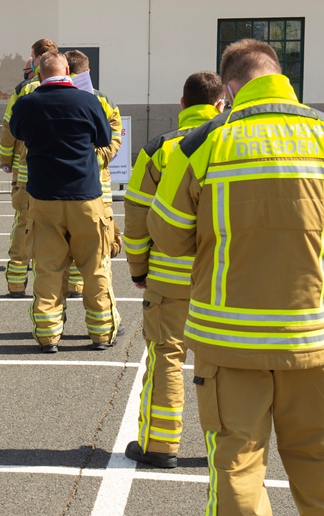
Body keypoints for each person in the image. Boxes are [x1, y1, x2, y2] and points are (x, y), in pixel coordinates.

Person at [148, 38, 324, 513]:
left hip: (230, 341)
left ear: (228, 87)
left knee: (238, 464)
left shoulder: (202, 142)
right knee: (317, 460)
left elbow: (168, 235)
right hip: (314, 339)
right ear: (279, 75)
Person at [122, 71, 225, 469]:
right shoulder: (229, 143)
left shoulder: (158, 150)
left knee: (166, 357)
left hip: (168, 277)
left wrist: (137, 268)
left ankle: (159, 446)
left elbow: (136, 215)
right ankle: (231, 447)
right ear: (220, 105)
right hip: (222, 279)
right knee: (226, 364)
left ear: (182, 106)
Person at [9, 50, 116, 353]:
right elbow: (104, 138)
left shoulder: (27, 103)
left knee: (48, 268)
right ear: (68, 71)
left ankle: (48, 336)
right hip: (86, 196)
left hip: (44, 198)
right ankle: (101, 334)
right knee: (94, 267)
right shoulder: (87, 101)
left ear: (39, 74)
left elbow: (16, 132)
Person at [0, 38, 58, 297]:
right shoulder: (73, 86)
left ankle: (15, 282)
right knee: (61, 226)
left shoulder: (25, 89)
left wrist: (5, 160)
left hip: (26, 169)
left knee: (24, 223)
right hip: (63, 172)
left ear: (36, 59)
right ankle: (72, 284)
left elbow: (9, 127)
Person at [63, 50, 123, 299]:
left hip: (60, 182)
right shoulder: (101, 100)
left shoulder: (49, 97)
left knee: (63, 239)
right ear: (87, 71)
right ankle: (89, 295)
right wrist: (98, 157)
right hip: (97, 182)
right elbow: (115, 133)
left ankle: (73, 286)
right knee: (96, 241)